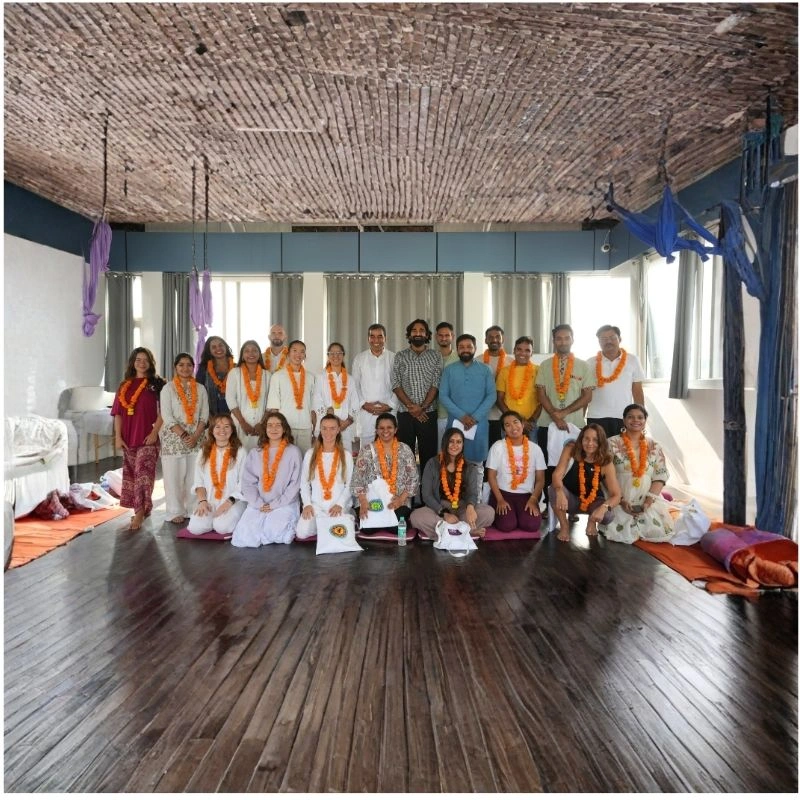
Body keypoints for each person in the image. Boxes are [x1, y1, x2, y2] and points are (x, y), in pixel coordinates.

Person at [535, 324, 596, 499]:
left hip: (574, 425)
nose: (563, 342)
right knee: (548, 464)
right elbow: (541, 393)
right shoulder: (545, 366)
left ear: (572, 339)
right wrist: (555, 416)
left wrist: (564, 413)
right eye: (559, 338)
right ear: (554, 341)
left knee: (575, 465)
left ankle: (572, 504)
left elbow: (587, 396)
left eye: (567, 338)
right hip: (547, 424)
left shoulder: (583, 366)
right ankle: (550, 504)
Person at [600, 404, 675, 543]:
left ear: (645, 421)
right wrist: (620, 500)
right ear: (624, 420)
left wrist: (648, 502)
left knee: (657, 532)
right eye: (631, 417)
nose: (636, 420)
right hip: (617, 499)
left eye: (640, 417)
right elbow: (604, 475)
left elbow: (660, 476)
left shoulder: (654, 446)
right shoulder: (611, 443)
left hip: (646, 500)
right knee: (617, 532)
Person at [111, 347, 165, 530]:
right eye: (138, 360)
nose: (142, 363)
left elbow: (164, 411)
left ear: (151, 363)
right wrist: (118, 437)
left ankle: (140, 513)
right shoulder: (124, 386)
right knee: (133, 476)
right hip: (128, 438)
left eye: (145, 360)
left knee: (144, 476)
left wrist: (155, 432)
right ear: (133, 362)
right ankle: (143, 508)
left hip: (149, 438)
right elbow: (118, 414)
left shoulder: (157, 384)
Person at [232, 412, 303, 547]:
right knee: (244, 538)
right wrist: (258, 503)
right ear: (264, 429)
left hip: (285, 503)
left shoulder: (293, 452)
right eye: (270, 425)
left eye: (278, 425)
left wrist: (275, 505)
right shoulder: (255, 453)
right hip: (259, 504)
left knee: (274, 534)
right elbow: (248, 483)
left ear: (284, 428)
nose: (274, 429)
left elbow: (295, 484)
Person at [411, 428, 495, 540]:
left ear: (463, 445)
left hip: (462, 508)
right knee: (416, 516)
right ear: (445, 442)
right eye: (451, 441)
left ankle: (446, 531)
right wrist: (445, 514)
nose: (455, 445)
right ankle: (465, 531)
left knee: (488, 513)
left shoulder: (469, 467)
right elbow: (426, 495)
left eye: (459, 442)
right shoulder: (432, 464)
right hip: (439, 508)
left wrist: (470, 507)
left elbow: (472, 493)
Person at [550, 423, 622, 542]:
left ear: (601, 442)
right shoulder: (570, 449)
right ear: (581, 439)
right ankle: (564, 526)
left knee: (608, 516)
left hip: (593, 501)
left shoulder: (606, 462)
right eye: (586, 439)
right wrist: (559, 492)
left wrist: (603, 508)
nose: (590, 443)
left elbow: (617, 495)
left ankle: (591, 521)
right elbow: (556, 475)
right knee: (553, 489)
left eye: (595, 440)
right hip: (569, 499)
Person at [159, 353, 209, 524]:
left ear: (193, 367)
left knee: (194, 477)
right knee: (173, 478)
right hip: (174, 440)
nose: (185, 368)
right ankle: (175, 511)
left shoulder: (200, 389)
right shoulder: (168, 389)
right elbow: (167, 416)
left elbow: (204, 416)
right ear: (175, 367)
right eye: (181, 364)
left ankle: (194, 508)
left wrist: (195, 436)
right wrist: (185, 435)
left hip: (197, 439)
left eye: (189, 364)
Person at [351, 413, 418, 535]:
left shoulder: (405, 449)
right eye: (381, 428)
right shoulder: (367, 450)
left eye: (389, 427)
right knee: (368, 529)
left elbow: (413, 479)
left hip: (397, 500)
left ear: (395, 429)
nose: (385, 431)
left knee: (397, 528)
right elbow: (357, 479)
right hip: (372, 500)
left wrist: (401, 499)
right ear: (376, 430)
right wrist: (363, 501)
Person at [391, 319, 443, 473]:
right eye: (414, 330)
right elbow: (396, 384)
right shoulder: (400, 356)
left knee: (429, 454)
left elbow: (436, 384)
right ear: (409, 335)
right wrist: (412, 407)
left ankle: (427, 488)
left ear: (427, 335)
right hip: (405, 413)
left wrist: (422, 408)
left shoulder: (435, 356)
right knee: (405, 456)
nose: (418, 333)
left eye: (421, 330)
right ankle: (408, 488)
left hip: (428, 413)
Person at [438, 334, 496, 464]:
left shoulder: (486, 369)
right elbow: (443, 395)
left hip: (479, 423)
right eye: (461, 347)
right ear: (457, 349)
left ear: (475, 348)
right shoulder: (449, 370)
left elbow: (492, 395)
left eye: (469, 347)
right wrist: (461, 416)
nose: (465, 350)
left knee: (477, 464)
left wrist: (475, 417)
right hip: (455, 422)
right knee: (453, 460)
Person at [296, 414, 356, 540]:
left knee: (337, 533)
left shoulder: (346, 455)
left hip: (338, 505)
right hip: (316, 506)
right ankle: (325, 524)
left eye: (332, 428)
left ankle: (347, 515)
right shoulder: (310, 454)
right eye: (324, 428)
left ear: (338, 430)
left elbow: (350, 484)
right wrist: (307, 504)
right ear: (320, 429)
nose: (328, 432)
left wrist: (340, 504)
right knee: (302, 533)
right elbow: (304, 483)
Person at [485, 411, 547, 534]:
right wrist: (500, 500)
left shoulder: (535, 449)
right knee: (507, 525)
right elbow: (491, 476)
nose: (513, 427)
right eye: (507, 425)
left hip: (526, 495)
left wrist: (533, 499)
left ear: (522, 424)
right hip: (502, 494)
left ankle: (518, 514)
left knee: (532, 525)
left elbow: (540, 479)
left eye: (515, 422)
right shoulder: (497, 446)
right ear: (504, 430)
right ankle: (507, 513)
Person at [187, 413, 247, 535]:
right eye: (217, 427)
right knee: (195, 528)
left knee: (222, 527)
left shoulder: (240, 452)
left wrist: (228, 503)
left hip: (234, 501)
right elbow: (199, 482)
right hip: (210, 501)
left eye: (226, 426)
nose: (222, 430)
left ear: (232, 430)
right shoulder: (204, 451)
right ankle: (212, 520)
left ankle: (221, 520)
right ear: (212, 430)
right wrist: (202, 501)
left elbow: (244, 483)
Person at [586, 325, 646, 440]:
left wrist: (641, 417)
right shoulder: (590, 363)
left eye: (612, 338)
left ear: (620, 339)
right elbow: (585, 393)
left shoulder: (633, 360)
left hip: (624, 417)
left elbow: (637, 391)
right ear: (599, 342)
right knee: (599, 450)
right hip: (596, 416)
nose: (608, 341)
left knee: (623, 450)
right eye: (603, 339)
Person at [266, 339, 317, 453]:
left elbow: (313, 407)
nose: (298, 354)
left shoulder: (311, 377)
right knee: (285, 458)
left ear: (305, 356)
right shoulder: (277, 376)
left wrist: (315, 430)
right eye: (294, 350)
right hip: (285, 427)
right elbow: (274, 408)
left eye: (302, 351)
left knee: (304, 459)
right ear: (288, 354)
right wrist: (276, 429)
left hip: (305, 427)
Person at [351, 323, 396, 449]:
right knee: (367, 450)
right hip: (366, 412)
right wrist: (364, 404)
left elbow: (399, 385)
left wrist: (389, 405)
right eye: (372, 336)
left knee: (389, 448)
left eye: (380, 336)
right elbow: (355, 385)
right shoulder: (359, 358)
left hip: (388, 411)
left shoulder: (393, 358)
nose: (376, 340)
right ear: (368, 338)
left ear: (385, 338)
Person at [312, 342, 360, 453]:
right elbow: (316, 401)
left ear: (343, 355)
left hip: (345, 426)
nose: (336, 356)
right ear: (328, 356)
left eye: (339, 353)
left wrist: (347, 421)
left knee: (345, 456)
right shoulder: (320, 377)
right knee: (325, 456)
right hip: (327, 426)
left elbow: (355, 402)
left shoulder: (350, 379)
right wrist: (332, 419)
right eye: (332, 353)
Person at [225, 340, 270, 452]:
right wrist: (243, 423)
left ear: (259, 354)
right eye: (247, 351)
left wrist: (262, 423)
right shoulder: (235, 373)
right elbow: (230, 399)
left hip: (261, 424)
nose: (251, 354)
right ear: (242, 355)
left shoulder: (267, 375)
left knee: (260, 455)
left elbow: (270, 402)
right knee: (239, 454)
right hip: (239, 423)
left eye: (254, 350)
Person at [496, 336, 540, 440]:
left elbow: (543, 400)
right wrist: (516, 421)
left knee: (531, 450)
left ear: (532, 353)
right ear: (514, 351)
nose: (522, 353)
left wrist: (531, 420)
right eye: (519, 349)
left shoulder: (539, 371)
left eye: (527, 350)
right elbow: (499, 400)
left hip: (531, 424)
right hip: (509, 424)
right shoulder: (504, 372)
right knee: (507, 450)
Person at [483, 325, 508, 448]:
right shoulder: (477, 361)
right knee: (485, 451)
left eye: (498, 337)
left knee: (503, 451)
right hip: (483, 416)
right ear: (485, 340)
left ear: (503, 339)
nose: (494, 340)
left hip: (504, 416)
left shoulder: (511, 362)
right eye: (490, 337)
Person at [195, 336, 234, 414]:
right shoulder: (203, 369)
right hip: (210, 416)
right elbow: (197, 394)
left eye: (220, 345)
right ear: (209, 351)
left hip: (234, 415)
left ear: (226, 347)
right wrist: (207, 416)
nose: (218, 348)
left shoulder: (236, 368)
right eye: (214, 347)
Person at [435, 321, 460, 442]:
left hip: (457, 412)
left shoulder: (460, 358)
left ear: (452, 336)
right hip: (436, 412)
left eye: (447, 335)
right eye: (441, 335)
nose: (444, 338)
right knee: (440, 447)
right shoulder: (431, 357)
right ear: (436, 337)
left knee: (457, 446)